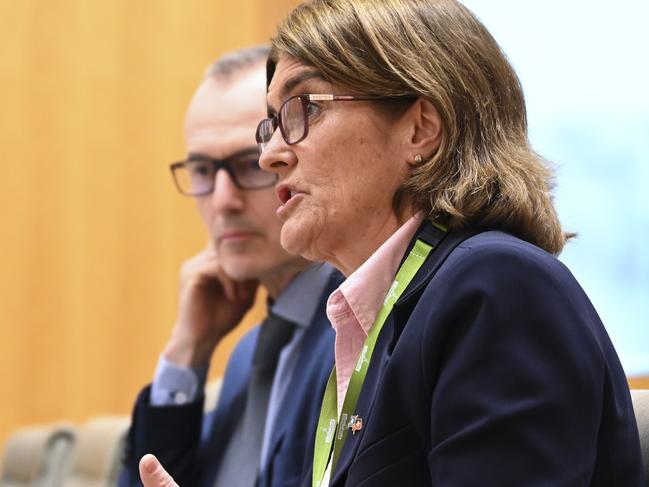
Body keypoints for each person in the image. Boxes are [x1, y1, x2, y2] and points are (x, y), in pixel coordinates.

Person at [140, 1, 646, 486]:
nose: (271, 153)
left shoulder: (496, 286)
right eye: (270, 124)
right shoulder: (370, 321)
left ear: (420, 130)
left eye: (303, 110)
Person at [119, 46, 341, 487]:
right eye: (202, 170)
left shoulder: (358, 328)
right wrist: (187, 354)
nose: (222, 201)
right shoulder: (245, 357)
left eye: (246, 163)